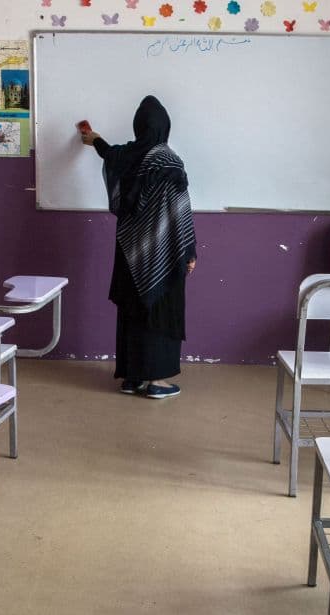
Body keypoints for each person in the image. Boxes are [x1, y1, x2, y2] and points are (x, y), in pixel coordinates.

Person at [81, 96, 197, 399]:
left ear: (139, 126)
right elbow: (180, 211)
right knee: (159, 308)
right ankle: (156, 381)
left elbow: (109, 153)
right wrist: (189, 251)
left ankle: (132, 378)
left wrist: (94, 139)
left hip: (129, 251)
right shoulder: (168, 161)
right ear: (165, 126)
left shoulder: (128, 155)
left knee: (132, 310)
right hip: (163, 253)